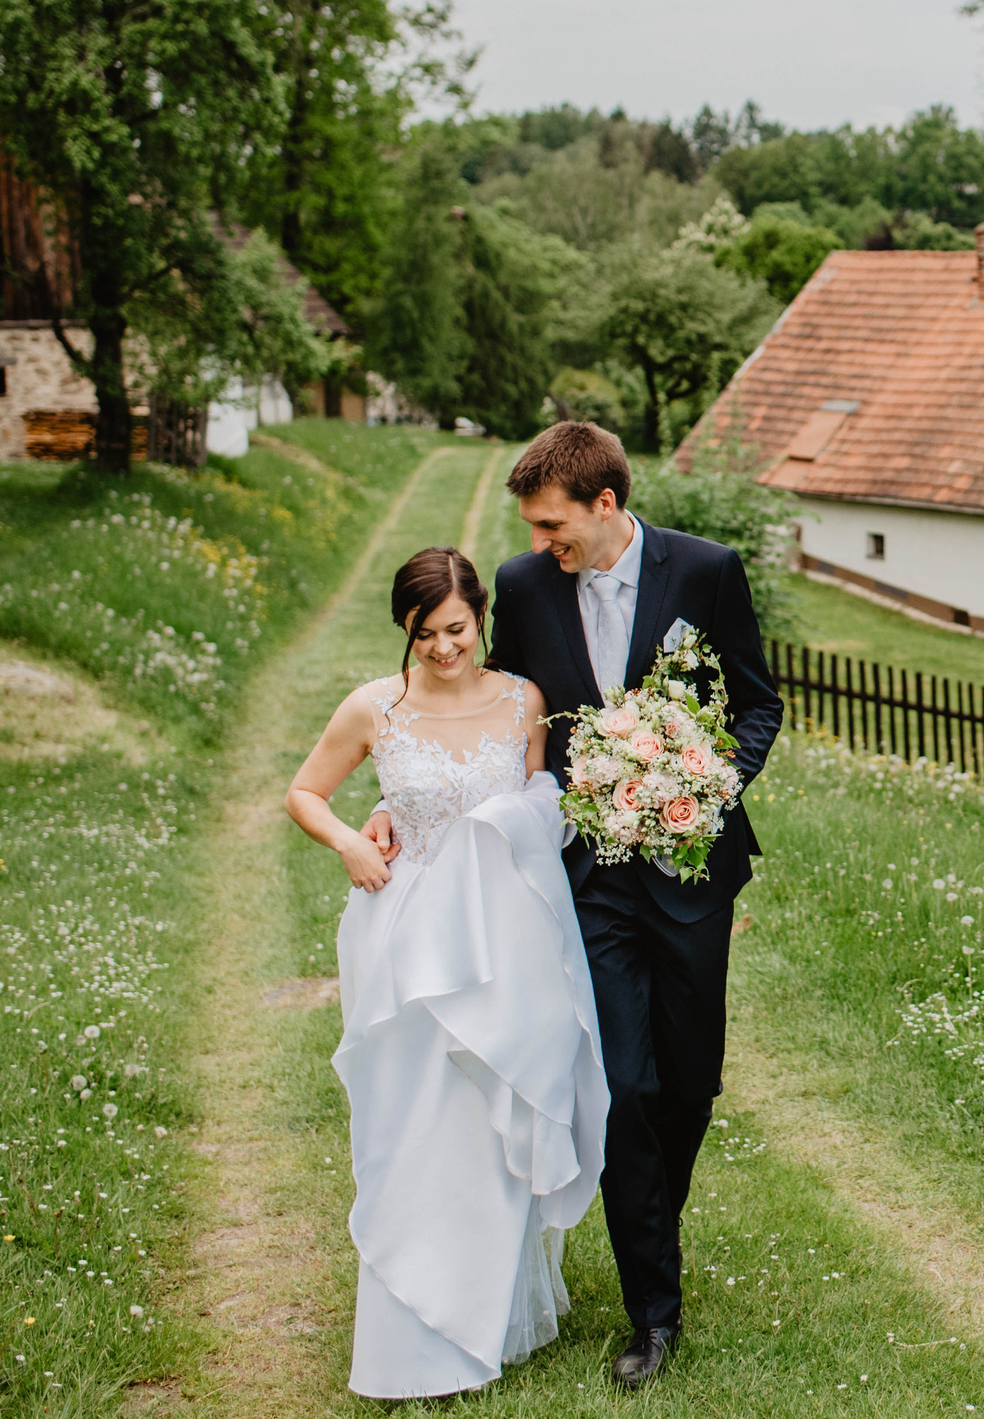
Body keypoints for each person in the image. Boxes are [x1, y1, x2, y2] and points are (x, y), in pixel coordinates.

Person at [367, 421, 781, 1390]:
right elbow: (500, 704)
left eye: (555, 523)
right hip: (585, 879)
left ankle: (650, 1222)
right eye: (532, 527)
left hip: (690, 865)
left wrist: (708, 778)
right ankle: (653, 1309)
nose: (542, 541)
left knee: (688, 1084)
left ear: (606, 504)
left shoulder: (706, 571)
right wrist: (407, 791)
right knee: (624, 1086)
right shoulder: (521, 584)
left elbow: (758, 700)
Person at [286, 546, 608, 1401]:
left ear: (481, 621)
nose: (441, 648)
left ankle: (490, 1311)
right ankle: (410, 1319)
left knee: (491, 1114)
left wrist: (514, 811)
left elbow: (547, 804)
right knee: (414, 1124)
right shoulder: (373, 708)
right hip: (405, 935)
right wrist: (354, 838)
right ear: (405, 628)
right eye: (424, 633)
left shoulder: (523, 700)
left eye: (456, 629)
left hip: (504, 933)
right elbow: (305, 793)